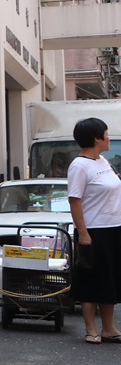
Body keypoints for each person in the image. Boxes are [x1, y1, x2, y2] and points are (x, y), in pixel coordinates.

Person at [66, 117, 121, 344]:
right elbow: (74, 200)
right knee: (90, 280)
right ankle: (91, 329)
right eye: (106, 134)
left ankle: (109, 328)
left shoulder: (102, 161)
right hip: (93, 230)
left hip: (113, 228)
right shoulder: (79, 165)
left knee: (109, 280)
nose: (109, 137)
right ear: (97, 138)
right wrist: (84, 233)